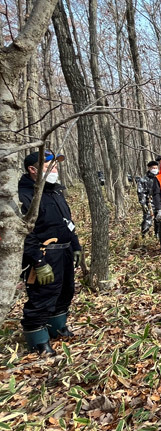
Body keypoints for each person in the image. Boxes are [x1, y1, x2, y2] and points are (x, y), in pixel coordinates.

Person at [18, 150, 82, 355]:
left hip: (63, 252)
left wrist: (76, 246)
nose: (55, 169)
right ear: (33, 170)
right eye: (49, 166)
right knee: (42, 296)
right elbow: (24, 232)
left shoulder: (55, 192)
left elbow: (67, 224)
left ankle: (57, 328)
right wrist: (37, 260)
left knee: (66, 291)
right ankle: (37, 340)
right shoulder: (24, 195)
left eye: (55, 166)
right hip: (43, 255)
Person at [137, 160, 159, 236]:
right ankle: (144, 235)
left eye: (156, 168)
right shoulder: (143, 179)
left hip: (159, 202)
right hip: (149, 202)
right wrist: (143, 204)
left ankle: (158, 235)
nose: (155, 169)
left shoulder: (160, 177)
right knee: (147, 220)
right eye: (153, 168)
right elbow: (141, 192)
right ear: (149, 168)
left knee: (159, 220)